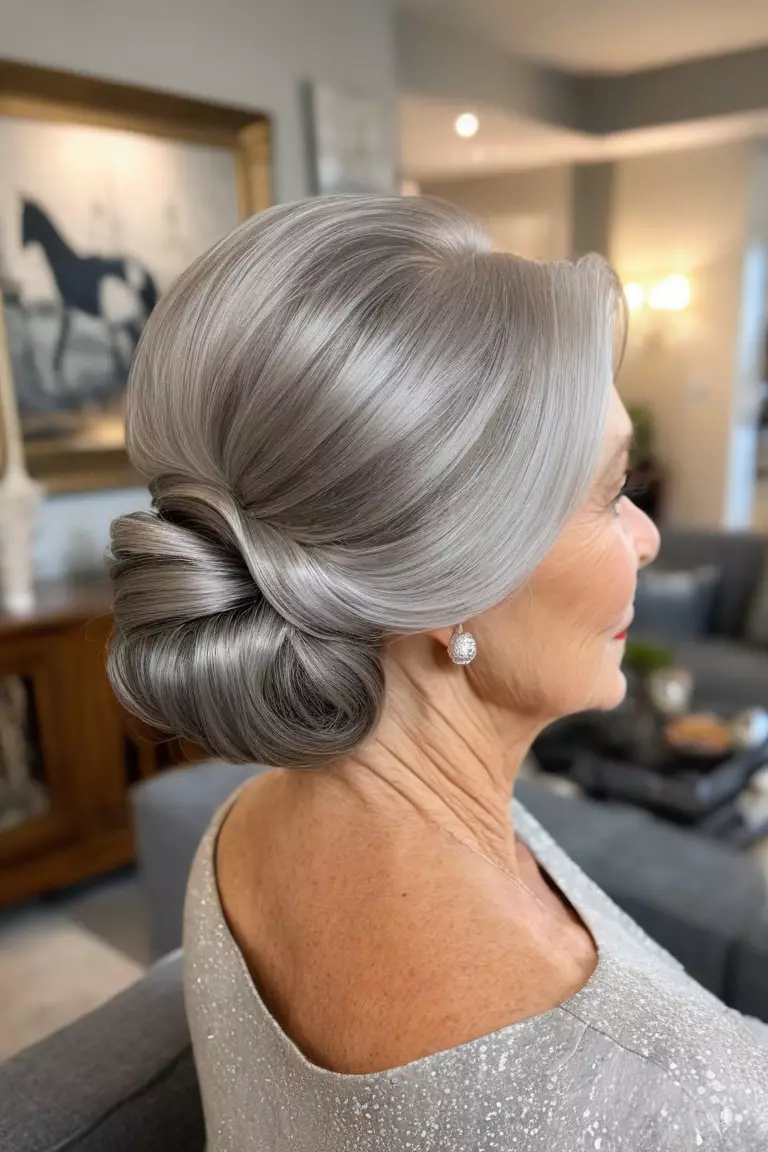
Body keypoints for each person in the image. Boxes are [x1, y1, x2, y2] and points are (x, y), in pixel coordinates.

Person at [108, 196, 768, 1150]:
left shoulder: (244, 829)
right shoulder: (680, 1105)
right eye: (614, 492)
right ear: (450, 574)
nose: (650, 536)